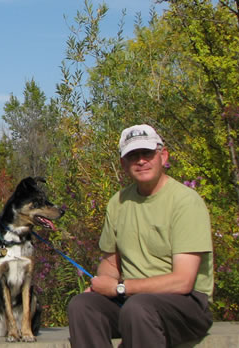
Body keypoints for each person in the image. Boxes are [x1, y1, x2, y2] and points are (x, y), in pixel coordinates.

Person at [67, 124, 214, 348]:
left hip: (185, 306)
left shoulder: (185, 202)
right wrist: (101, 285)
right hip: (133, 302)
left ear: (162, 156)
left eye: (147, 153)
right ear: (123, 164)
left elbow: (183, 281)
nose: (141, 161)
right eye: (133, 156)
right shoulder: (118, 203)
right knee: (82, 305)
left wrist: (120, 288)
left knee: (139, 308)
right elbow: (110, 264)